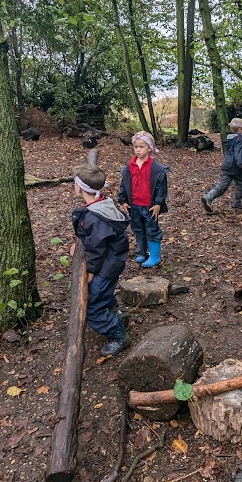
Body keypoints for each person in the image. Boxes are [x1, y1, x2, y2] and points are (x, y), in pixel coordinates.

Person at [71, 163, 130, 357]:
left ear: (79, 187)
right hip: (112, 262)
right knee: (103, 292)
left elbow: (96, 249)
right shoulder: (102, 204)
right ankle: (113, 312)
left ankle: (118, 334)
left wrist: (90, 272)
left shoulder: (94, 217)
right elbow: (95, 240)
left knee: (92, 307)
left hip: (104, 267)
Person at [118, 131, 168, 269]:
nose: (138, 150)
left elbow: (161, 188)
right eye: (136, 147)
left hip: (149, 206)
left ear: (149, 148)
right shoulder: (129, 167)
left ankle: (154, 256)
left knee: (152, 229)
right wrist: (122, 200)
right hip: (134, 205)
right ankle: (141, 251)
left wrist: (158, 203)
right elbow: (124, 184)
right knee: (138, 229)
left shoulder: (156, 169)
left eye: (142, 147)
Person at [202, 117, 242, 213]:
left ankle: (208, 197)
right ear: (239, 129)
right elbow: (237, 153)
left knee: (221, 186)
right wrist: (241, 164)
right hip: (235, 166)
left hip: (225, 165)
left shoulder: (228, 138)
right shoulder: (240, 140)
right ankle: (237, 202)